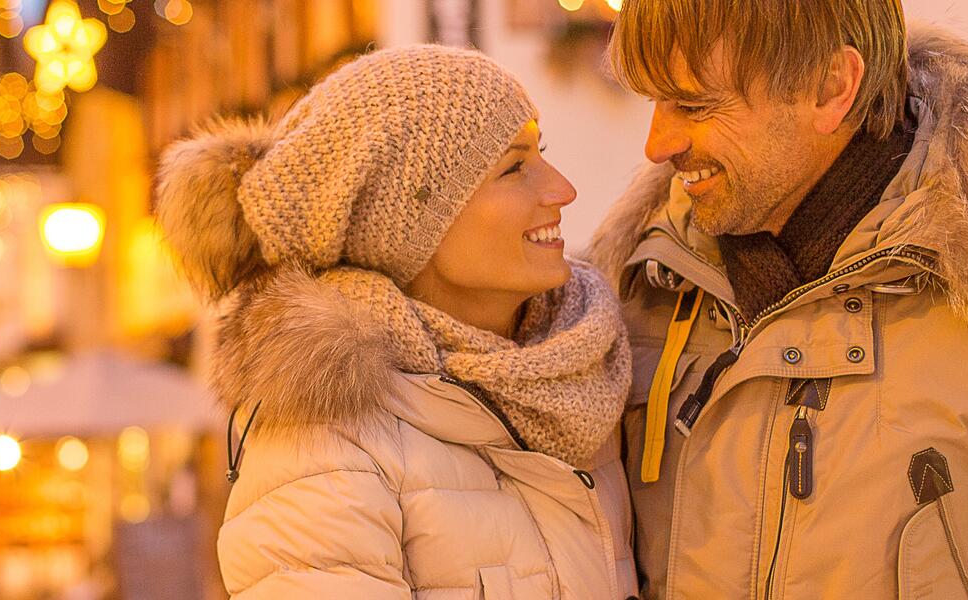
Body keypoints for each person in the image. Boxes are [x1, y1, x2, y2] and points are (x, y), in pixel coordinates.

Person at [585, 1, 968, 597]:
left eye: (694, 105)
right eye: (651, 101)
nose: (657, 144)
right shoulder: (640, 295)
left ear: (831, 87)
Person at [157, 45, 636, 598]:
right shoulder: (326, 449)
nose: (562, 190)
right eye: (514, 167)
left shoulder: (591, 372)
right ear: (409, 223)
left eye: (541, 152)